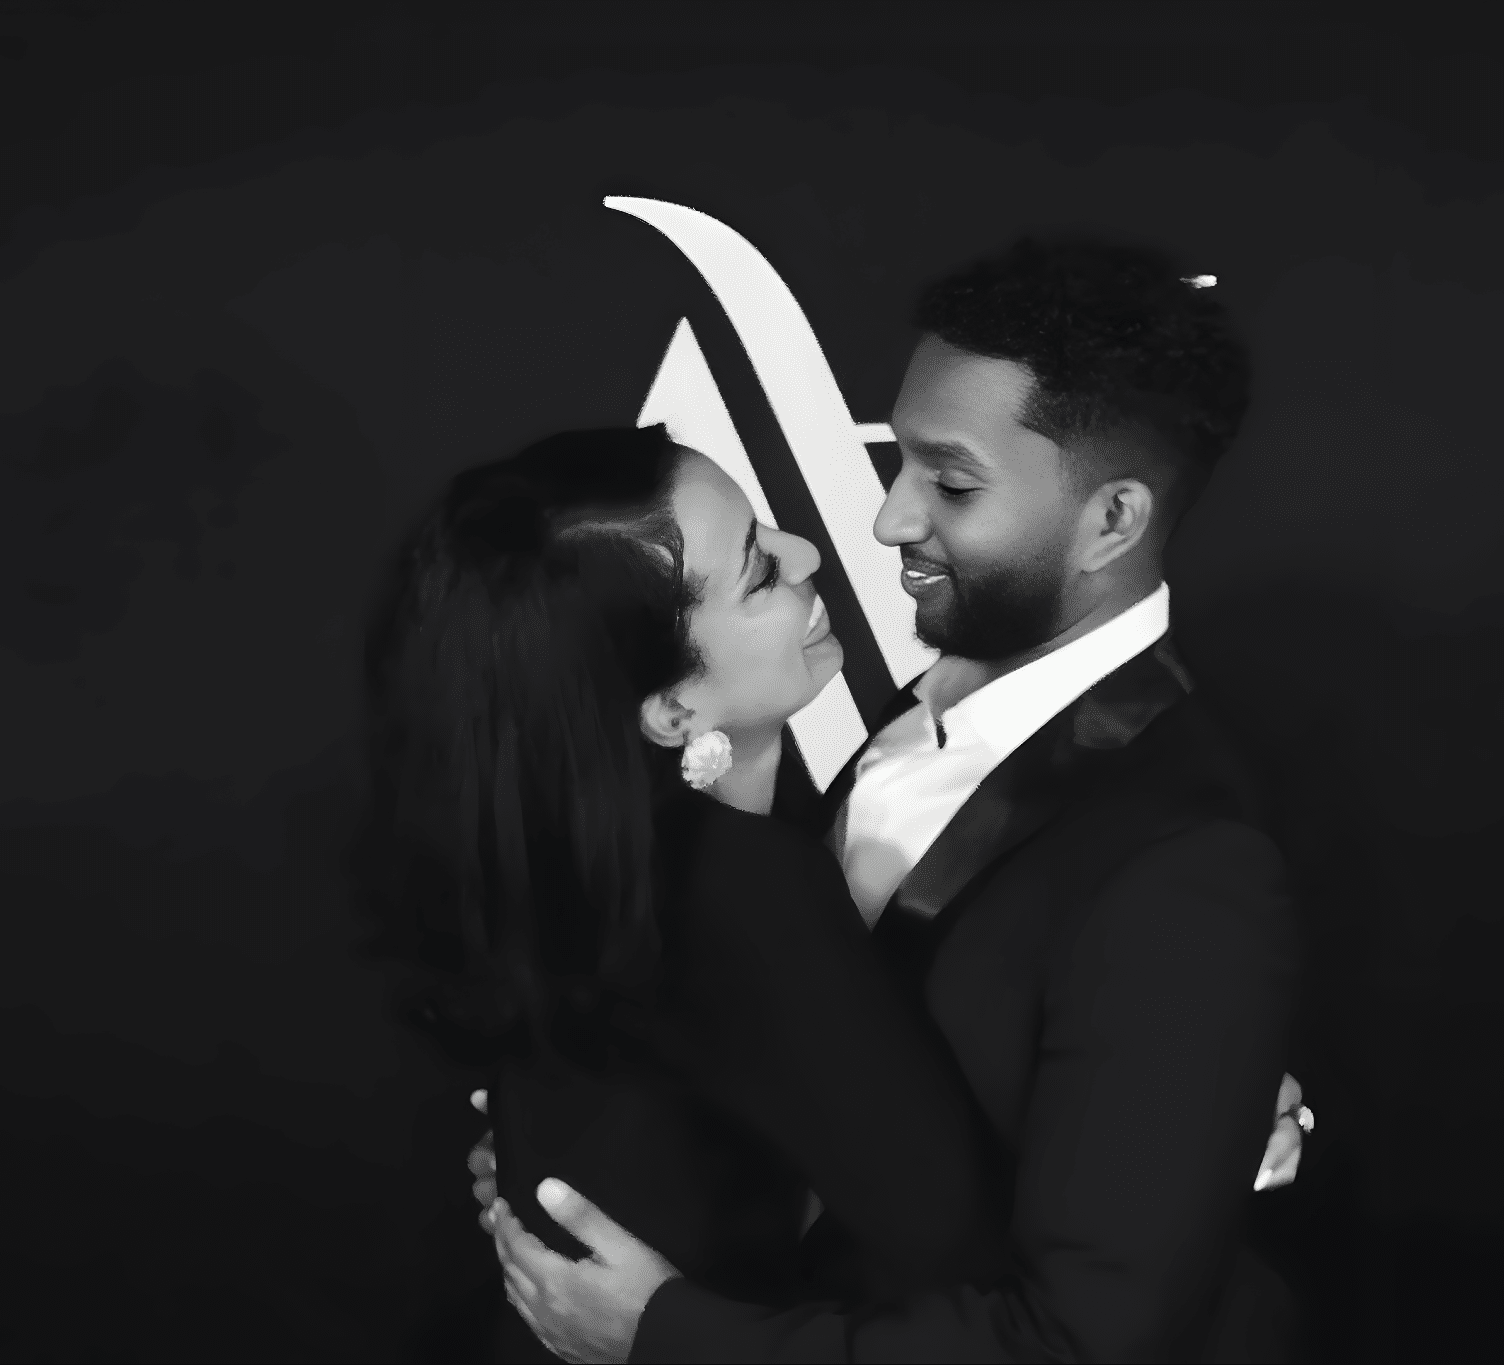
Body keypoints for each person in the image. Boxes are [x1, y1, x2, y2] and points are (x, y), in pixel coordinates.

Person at [486, 238, 1309, 1361]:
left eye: (950, 483)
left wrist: (668, 1337)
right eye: (900, 461)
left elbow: (1079, 1341)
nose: (884, 523)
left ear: (1111, 521)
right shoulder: (900, 722)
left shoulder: (1184, 861)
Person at [361, 425, 1007, 1360]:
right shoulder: (739, 888)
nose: (808, 553)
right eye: (757, 573)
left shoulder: (585, 865)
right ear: (672, 711)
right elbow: (959, 1241)